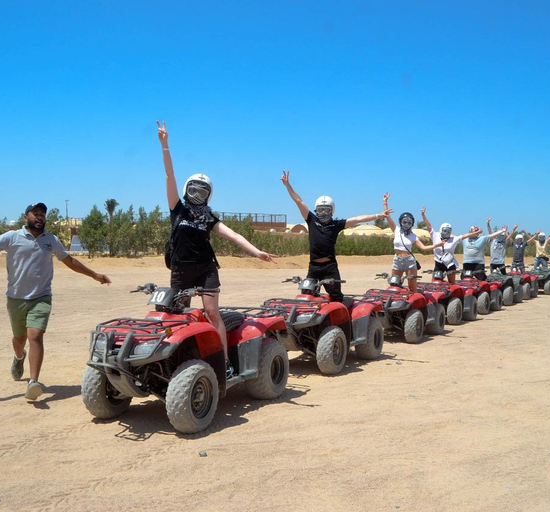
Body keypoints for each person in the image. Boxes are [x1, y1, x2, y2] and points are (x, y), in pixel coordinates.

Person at [0, 203, 111, 400]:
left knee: (35, 336)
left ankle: (33, 382)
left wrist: (94, 275)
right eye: (35, 214)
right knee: (19, 339)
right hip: (16, 299)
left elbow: (69, 261)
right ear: (25, 217)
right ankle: (19, 356)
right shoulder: (12, 237)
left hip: (41, 297)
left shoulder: (51, 240)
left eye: (42, 215)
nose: (39, 217)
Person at [158, 120, 277, 378]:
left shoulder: (209, 217)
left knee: (212, 312)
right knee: (177, 314)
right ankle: (178, 361)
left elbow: (233, 235)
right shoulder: (176, 208)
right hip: (180, 269)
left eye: (203, 190)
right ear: (187, 189)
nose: (198, 193)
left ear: (209, 194)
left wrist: (257, 252)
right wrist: (165, 146)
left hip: (205, 269)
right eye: (194, 189)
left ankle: (223, 363)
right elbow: (170, 175)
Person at [281, 170, 390, 303]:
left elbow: (357, 219)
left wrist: (378, 215)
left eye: (326, 210)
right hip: (313, 267)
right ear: (316, 210)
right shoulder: (311, 220)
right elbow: (298, 200)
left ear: (332, 210)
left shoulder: (336, 224)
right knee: (307, 295)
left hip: (330, 267)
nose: (323, 212)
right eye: (320, 209)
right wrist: (288, 185)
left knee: (336, 296)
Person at [382, 194, 443, 292]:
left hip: (409, 261)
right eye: (404, 222)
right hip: (397, 260)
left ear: (412, 224)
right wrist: (385, 202)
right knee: (394, 285)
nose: (406, 224)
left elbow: (423, 248)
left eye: (409, 223)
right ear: (401, 222)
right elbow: (387, 216)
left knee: (412, 287)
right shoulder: (396, 230)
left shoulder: (413, 236)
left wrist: (437, 245)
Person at [420, 209, 481, 283]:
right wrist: (423, 215)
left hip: (450, 264)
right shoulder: (435, 236)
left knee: (451, 284)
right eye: (445, 230)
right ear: (441, 230)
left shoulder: (454, 239)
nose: (447, 232)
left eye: (449, 231)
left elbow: (465, 236)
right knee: (434, 283)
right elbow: (429, 226)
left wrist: (476, 232)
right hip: (439, 264)